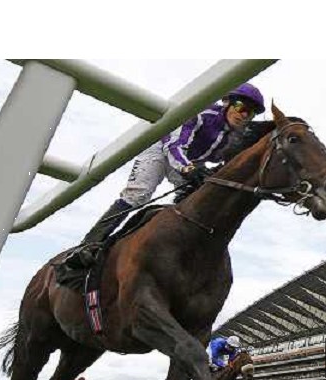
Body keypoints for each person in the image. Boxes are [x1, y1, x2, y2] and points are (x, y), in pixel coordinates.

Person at [64, 83, 265, 269]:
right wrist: (188, 169)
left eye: (250, 113)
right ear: (227, 102)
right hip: (162, 149)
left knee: (204, 193)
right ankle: (88, 244)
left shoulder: (238, 134)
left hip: (189, 160)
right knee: (139, 195)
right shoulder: (203, 113)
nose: (243, 115)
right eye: (240, 107)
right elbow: (174, 146)